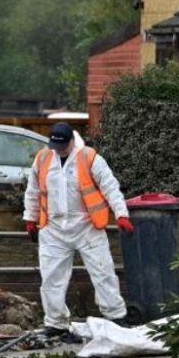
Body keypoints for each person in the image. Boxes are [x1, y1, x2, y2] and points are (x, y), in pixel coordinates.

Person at [23, 122, 133, 341]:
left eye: (62, 145)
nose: (58, 149)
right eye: (55, 145)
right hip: (54, 228)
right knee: (51, 278)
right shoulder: (43, 159)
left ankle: (116, 317)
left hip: (87, 226)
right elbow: (33, 190)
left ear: (72, 140)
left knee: (103, 272)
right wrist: (30, 217)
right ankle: (56, 323)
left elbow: (110, 187)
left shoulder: (90, 158)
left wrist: (121, 214)